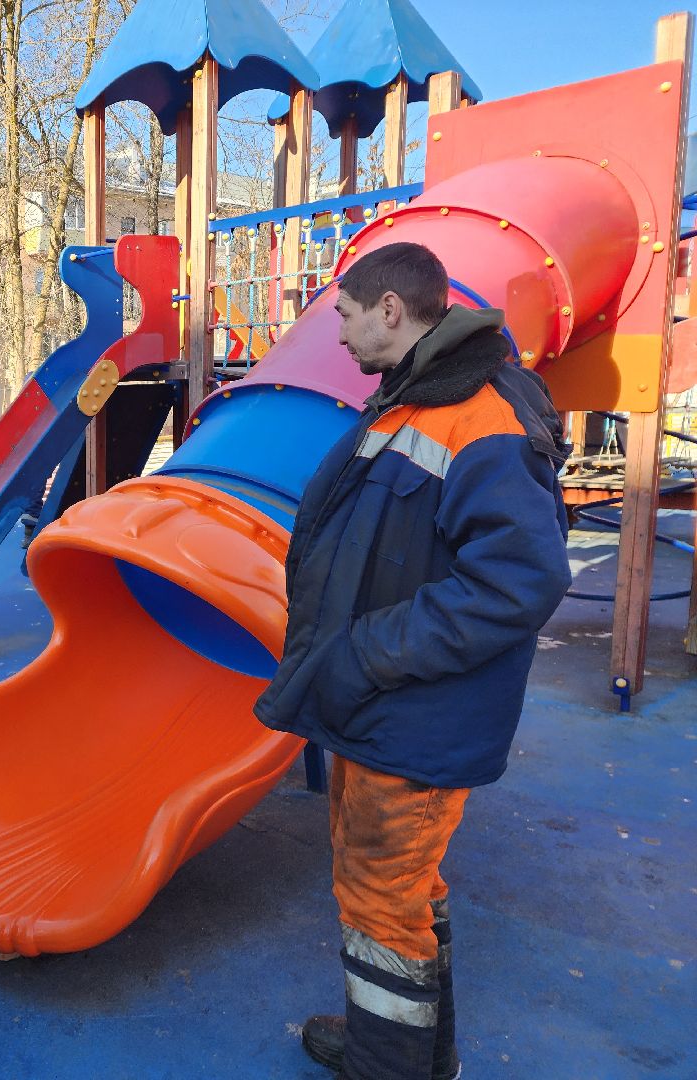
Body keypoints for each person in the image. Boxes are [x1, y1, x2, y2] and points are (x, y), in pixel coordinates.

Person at [252, 242, 571, 1079]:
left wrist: (367, 651)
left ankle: (385, 1064)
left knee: (382, 898)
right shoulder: (417, 397)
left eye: (346, 315)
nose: (340, 335)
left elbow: (519, 580)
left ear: (390, 310)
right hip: (383, 704)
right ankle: (413, 1053)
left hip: (414, 714)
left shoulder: (479, 417)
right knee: (406, 889)